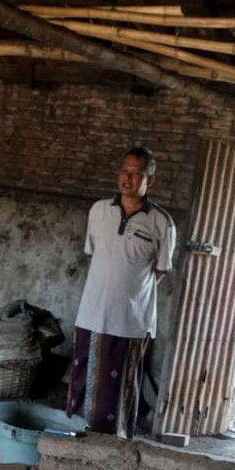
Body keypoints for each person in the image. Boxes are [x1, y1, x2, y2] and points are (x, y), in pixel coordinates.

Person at [66, 146, 176, 439]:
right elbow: (97, 256)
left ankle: (115, 444)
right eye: (123, 170)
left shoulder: (161, 223)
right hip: (92, 314)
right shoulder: (99, 211)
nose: (127, 178)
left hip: (130, 322)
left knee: (120, 387)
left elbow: (159, 272)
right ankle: (76, 442)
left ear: (149, 180)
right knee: (84, 382)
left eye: (135, 173)